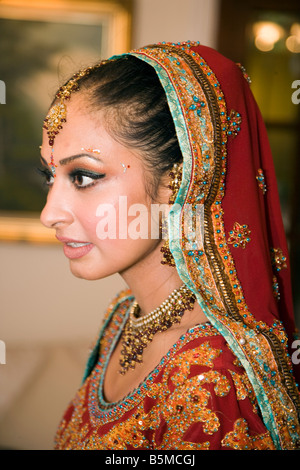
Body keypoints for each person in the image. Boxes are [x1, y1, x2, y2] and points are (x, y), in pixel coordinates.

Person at [39, 41, 300, 450]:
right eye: (49, 177)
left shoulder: (213, 378)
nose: (50, 213)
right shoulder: (124, 316)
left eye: (84, 177)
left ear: (177, 182)